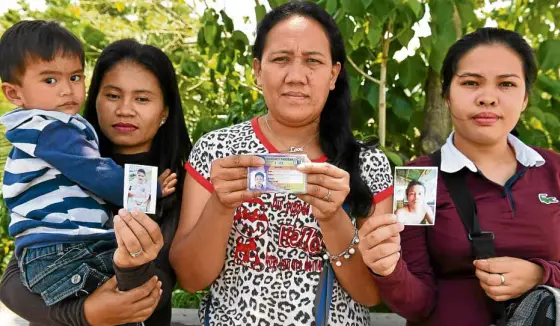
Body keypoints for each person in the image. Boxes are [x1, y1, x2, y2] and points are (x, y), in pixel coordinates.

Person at [170, 2, 394, 325]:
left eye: (313, 61)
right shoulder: (218, 150)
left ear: (333, 74)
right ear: (258, 71)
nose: (296, 76)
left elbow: (372, 294)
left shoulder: (368, 164)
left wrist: (332, 219)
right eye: (281, 59)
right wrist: (220, 206)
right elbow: (190, 279)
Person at [359, 28, 560, 326]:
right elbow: (417, 304)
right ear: (447, 96)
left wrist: (540, 274)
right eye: (470, 83)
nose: (488, 98)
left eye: (506, 84)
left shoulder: (554, 170)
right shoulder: (418, 178)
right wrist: (387, 269)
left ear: (525, 99)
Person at [0, 38, 192, 325]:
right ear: (95, 97)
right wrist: (84, 313)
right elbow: (13, 281)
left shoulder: (177, 181)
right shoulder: (63, 159)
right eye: (113, 95)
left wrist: (128, 266)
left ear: (165, 111)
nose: (125, 109)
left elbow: (158, 286)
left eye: (142, 99)